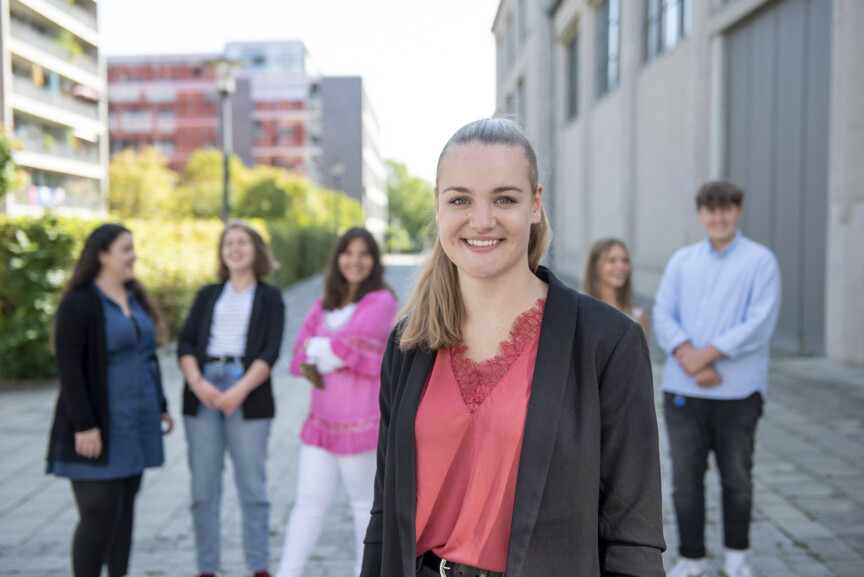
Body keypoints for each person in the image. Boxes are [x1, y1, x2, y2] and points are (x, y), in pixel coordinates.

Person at [359, 118, 665, 577]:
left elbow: (632, 534)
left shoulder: (608, 341)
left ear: (536, 205)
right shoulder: (409, 343)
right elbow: (385, 513)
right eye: (460, 199)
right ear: (439, 209)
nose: (482, 221)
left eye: (505, 198)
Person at [653, 181, 781, 577]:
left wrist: (703, 357)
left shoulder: (761, 261)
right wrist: (686, 357)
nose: (719, 217)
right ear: (701, 214)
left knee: (737, 479)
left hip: (738, 393)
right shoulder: (682, 261)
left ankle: (736, 558)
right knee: (685, 481)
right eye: (711, 210)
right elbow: (662, 313)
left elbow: (758, 324)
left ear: (738, 211)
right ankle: (691, 559)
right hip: (683, 393)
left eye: (726, 209)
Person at [46, 223, 173, 577]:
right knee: (99, 514)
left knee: (124, 511)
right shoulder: (80, 302)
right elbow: (68, 367)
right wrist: (85, 424)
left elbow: (147, 356)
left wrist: (161, 405)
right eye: (126, 249)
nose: (134, 256)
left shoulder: (135, 298)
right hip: (98, 424)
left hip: (137, 421)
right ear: (102, 255)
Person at [276, 227, 398, 577]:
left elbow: (347, 347)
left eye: (364, 254)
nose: (355, 261)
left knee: (364, 506)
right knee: (308, 504)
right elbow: (301, 351)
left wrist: (323, 348)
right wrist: (327, 350)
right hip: (321, 423)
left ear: (374, 261)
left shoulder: (381, 301)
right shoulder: (324, 302)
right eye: (348, 252)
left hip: (363, 422)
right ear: (338, 258)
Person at [178, 221, 285, 577]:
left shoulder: (270, 297)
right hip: (204, 388)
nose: (235, 248)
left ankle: (258, 567)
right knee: (203, 491)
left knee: (253, 488)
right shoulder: (207, 294)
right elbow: (185, 344)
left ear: (256, 249)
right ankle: (207, 569)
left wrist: (239, 390)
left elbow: (270, 351)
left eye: (242, 242)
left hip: (248, 390)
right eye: (228, 243)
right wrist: (198, 383)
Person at [583, 237, 649, 339]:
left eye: (625, 261)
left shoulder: (638, 314)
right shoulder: (581, 312)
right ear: (595, 267)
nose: (621, 267)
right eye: (612, 260)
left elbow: (642, 354)